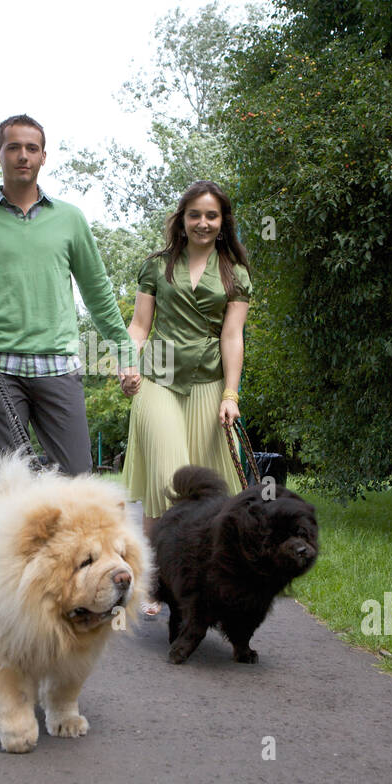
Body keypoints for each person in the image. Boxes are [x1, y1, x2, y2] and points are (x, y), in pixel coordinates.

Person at [0, 114, 138, 479]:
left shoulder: (70, 219)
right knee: (14, 486)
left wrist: (124, 351)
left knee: (78, 480)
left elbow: (97, 291)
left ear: (43, 157)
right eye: (13, 147)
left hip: (58, 365)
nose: (22, 155)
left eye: (31, 148)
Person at [121, 180, 253, 562]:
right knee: (166, 480)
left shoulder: (236, 274)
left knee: (208, 488)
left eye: (211, 215)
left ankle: (198, 577)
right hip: (157, 378)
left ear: (223, 221)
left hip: (209, 383)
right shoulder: (156, 266)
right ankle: (156, 574)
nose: (203, 223)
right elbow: (139, 327)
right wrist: (127, 366)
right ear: (182, 220)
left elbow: (232, 337)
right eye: (194, 214)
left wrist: (231, 394)